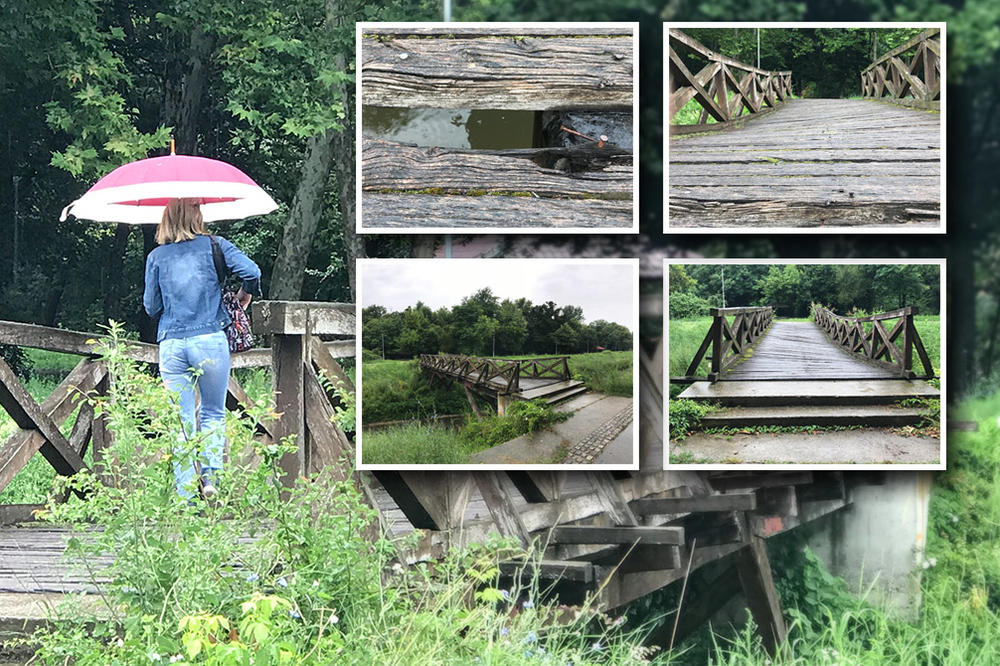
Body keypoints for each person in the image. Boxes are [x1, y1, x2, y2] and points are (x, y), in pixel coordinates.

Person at [143, 198, 261, 500]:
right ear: (196, 214)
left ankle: (184, 495)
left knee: (181, 421)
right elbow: (252, 272)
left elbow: (151, 306)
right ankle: (210, 478)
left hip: (171, 342)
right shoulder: (215, 245)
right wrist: (244, 294)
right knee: (211, 411)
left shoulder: (156, 257)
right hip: (209, 339)